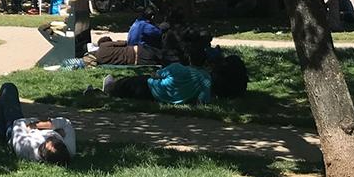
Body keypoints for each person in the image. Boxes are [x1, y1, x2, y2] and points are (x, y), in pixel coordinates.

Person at [101, 54, 248, 105]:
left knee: (128, 84)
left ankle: (109, 88)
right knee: (130, 88)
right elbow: (202, 101)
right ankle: (112, 88)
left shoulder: (176, 67)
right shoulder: (206, 83)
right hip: (155, 97)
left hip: (149, 86)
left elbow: (157, 75)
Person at [0, 82, 75, 166]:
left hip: (14, 131)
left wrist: (33, 124)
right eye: (57, 139)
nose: (52, 136)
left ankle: (0, 135)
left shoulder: (26, 148)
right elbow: (66, 123)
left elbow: (18, 124)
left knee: (8, 89)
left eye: (49, 140)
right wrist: (41, 125)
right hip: (30, 128)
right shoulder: (69, 150)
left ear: (43, 150)